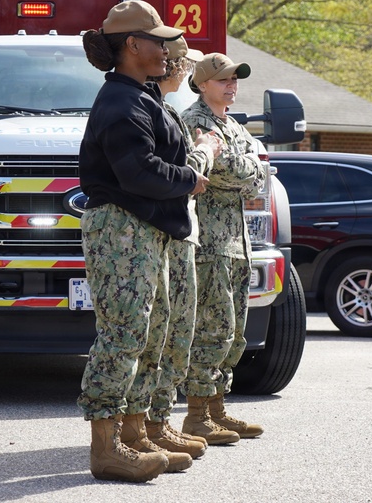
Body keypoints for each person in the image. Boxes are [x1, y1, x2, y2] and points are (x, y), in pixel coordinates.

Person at [76, 0, 214, 482]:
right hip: (120, 229)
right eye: (158, 41)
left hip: (142, 228)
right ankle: (106, 448)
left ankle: (135, 433)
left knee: (150, 332)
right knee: (123, 335)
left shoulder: (141, 97)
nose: (168, 49)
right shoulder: (120, 103)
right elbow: (138, 172)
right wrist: (190, 178)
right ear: (133, 45)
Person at [142, 38, 230, 456]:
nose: (186, 71)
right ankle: (146, 427)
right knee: (161, 334)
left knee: (176, 334)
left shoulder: (165, 110)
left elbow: (251, 172)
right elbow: (169, 173)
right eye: (185, 65)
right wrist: (205, 152)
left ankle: (158, 422)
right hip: (168, 235)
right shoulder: (162, 111)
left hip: (182, 232)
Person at [181, 53, 267, 443]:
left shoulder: (233, 125)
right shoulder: (194, 122)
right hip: (209, 244)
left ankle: (217, 409)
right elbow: (222, 171)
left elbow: (258, 175)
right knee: (213, 329)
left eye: (235, 79)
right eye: (223, 79)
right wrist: (249, 168)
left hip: (237, 242)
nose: (231, 85)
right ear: (201, 84)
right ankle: (197, 415)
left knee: (234, 333)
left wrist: (249, 168)